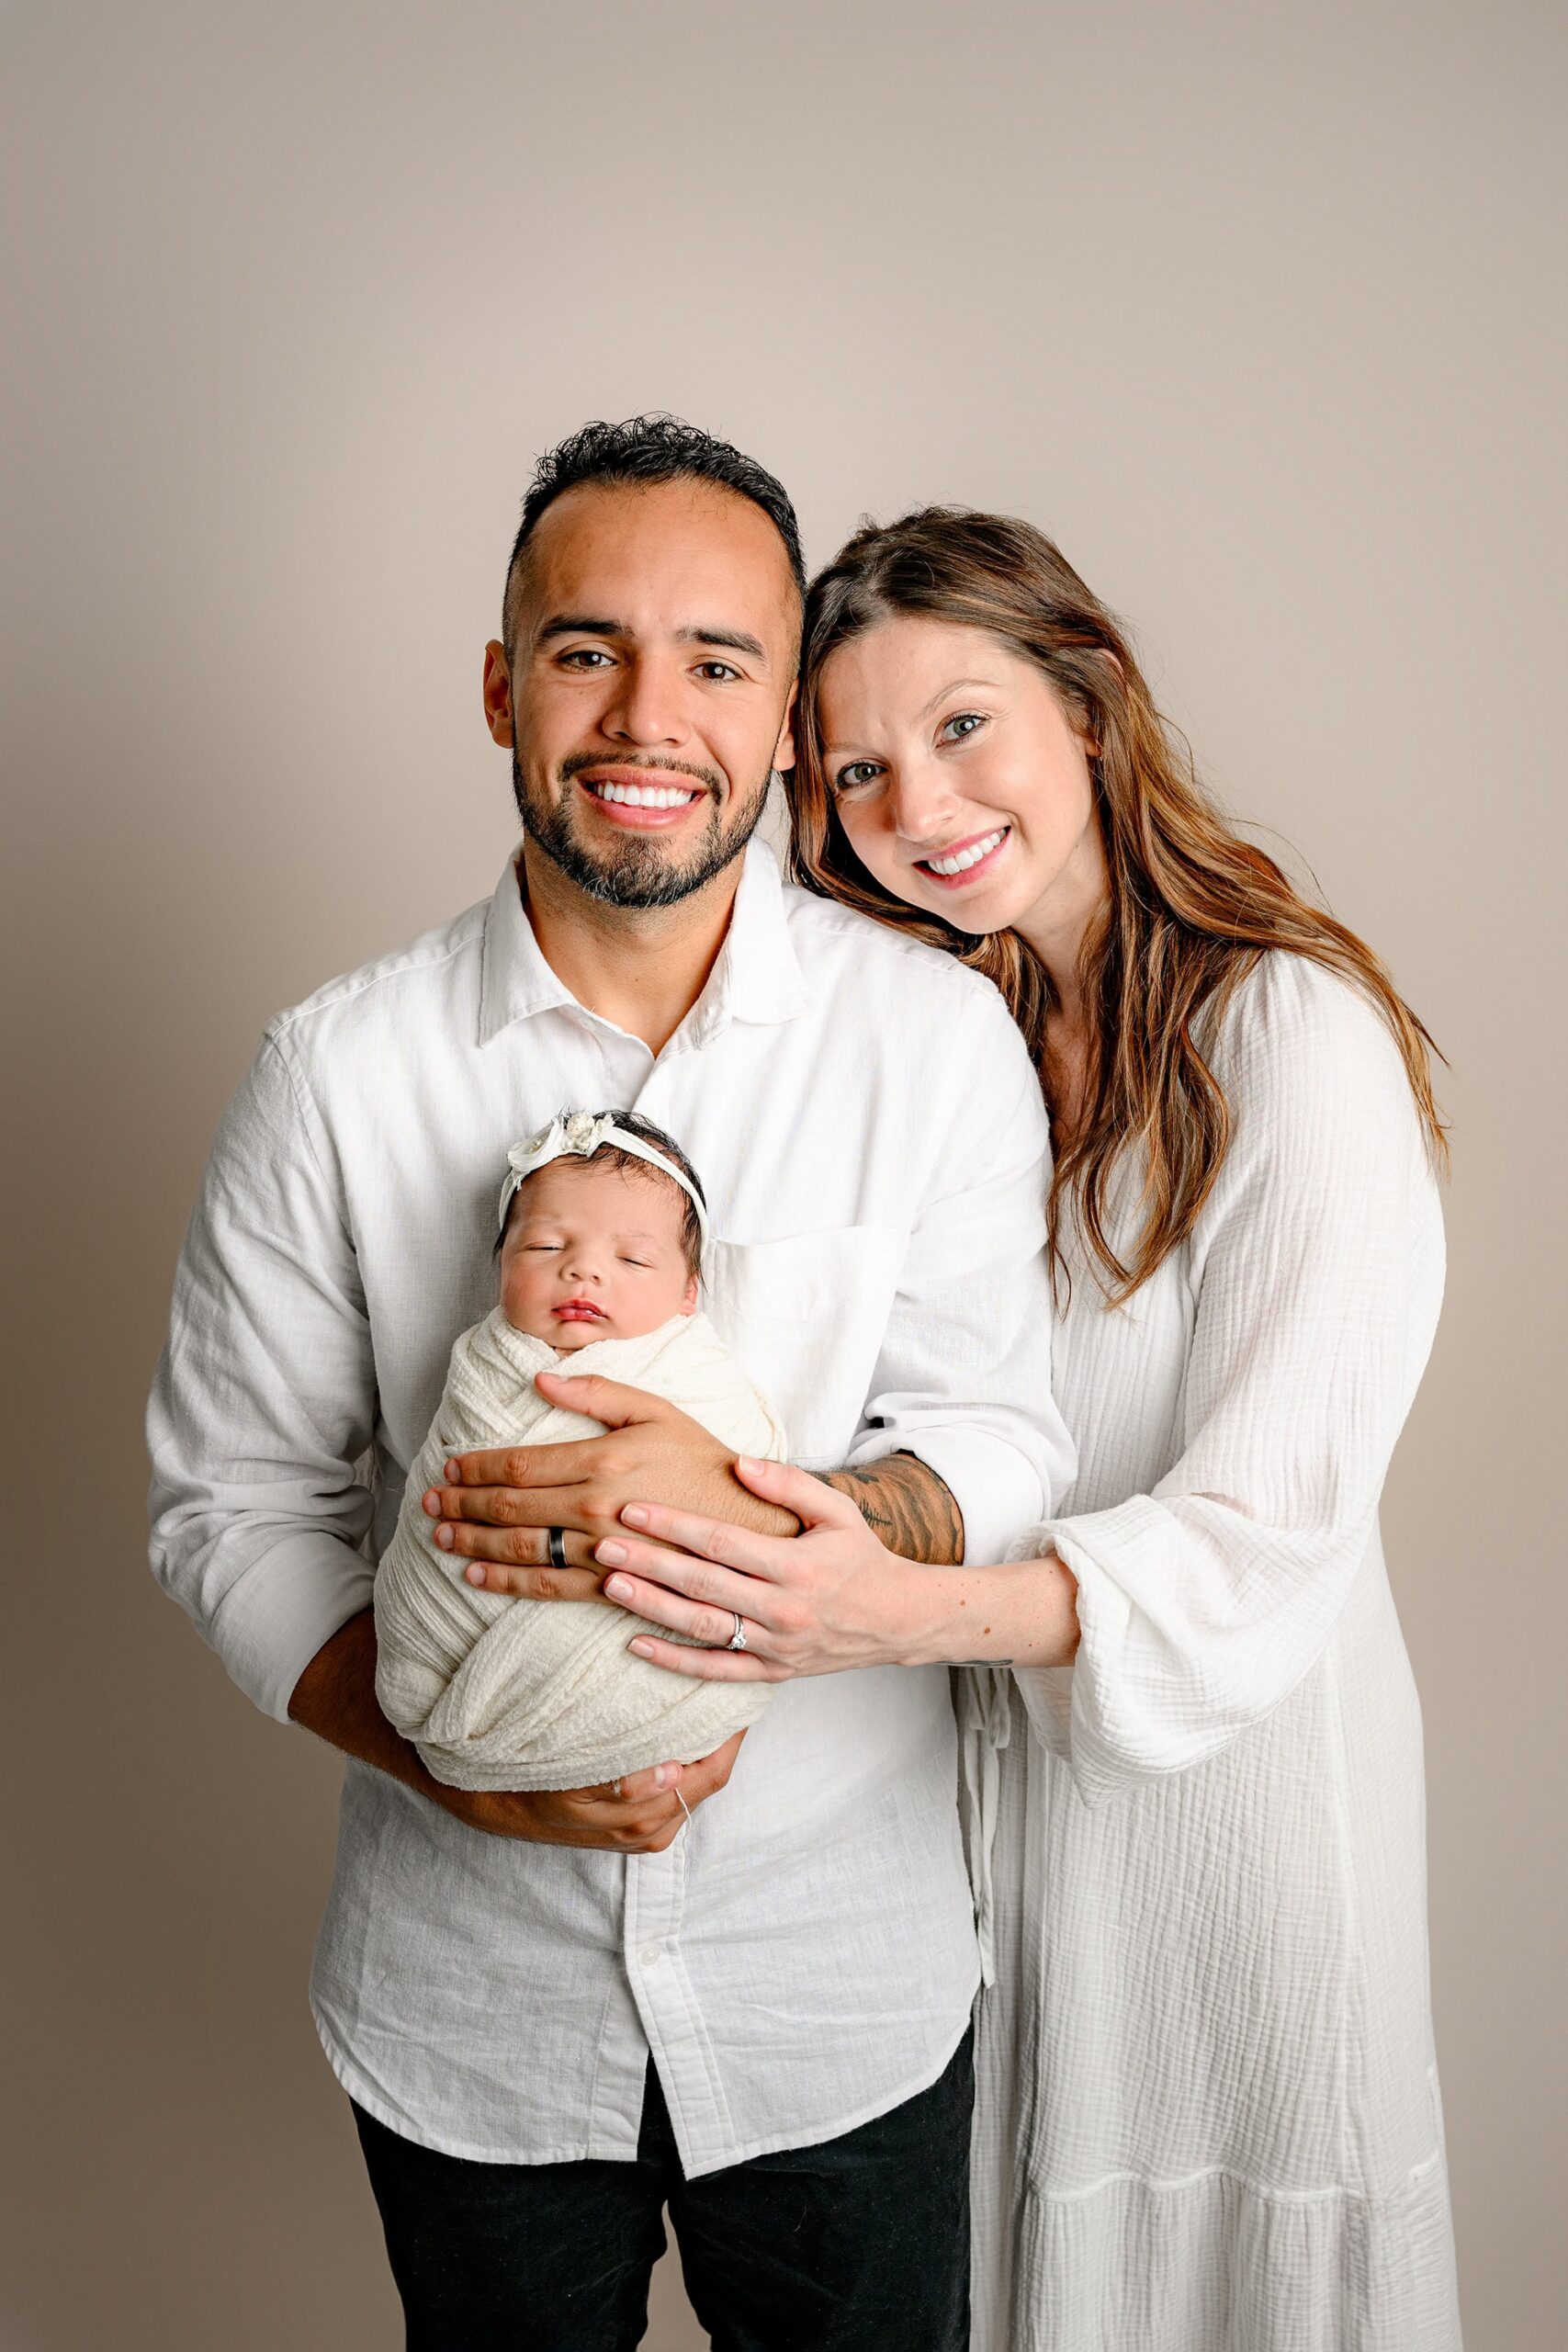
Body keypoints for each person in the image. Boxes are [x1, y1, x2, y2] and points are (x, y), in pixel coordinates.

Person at [147, 425, 1074, 2351]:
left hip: (840, 1986)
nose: (649, 717)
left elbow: (993, 1432)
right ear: (503, 686)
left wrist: (769, 1516)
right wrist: (459, 1766)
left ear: (784, 720)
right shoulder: (335, 1071)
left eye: (717, 661)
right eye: (587, 650)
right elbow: (230, 1505)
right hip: (464, 2000)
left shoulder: (928, 1040)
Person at [572, 508, 1463, 2348]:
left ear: (1089, 700)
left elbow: (1263, 1531)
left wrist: (890, 1613)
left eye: (963, 725)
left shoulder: (1291, 1040)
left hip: (1235, 1836)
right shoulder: (948, 1055)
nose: (920, 805)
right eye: (858, 770)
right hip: (1001, 1834)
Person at [373, 1106, 789, 1795]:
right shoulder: (480, 1366)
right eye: (544, 1247)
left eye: (632, 1259)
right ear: (500, 1265)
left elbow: (757, 1495)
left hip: (662, 1680)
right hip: (448, 1669)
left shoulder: (701, 1378)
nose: (583, 1271)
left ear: (689, 1293)